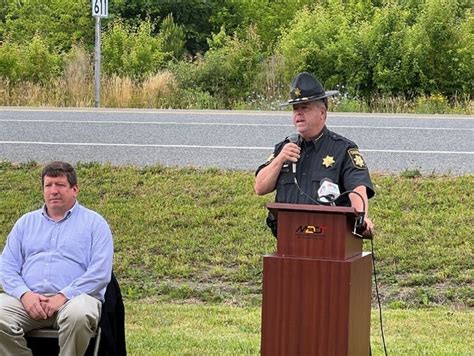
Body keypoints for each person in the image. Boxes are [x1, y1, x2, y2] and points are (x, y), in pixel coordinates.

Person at [0, 161, 114, 356]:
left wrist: (63, 296)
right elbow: (6, 267)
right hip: (29, 301)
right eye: (48, 185)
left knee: (79, 315)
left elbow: (100, 273)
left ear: (74, 189)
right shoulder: (25, 223)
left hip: (75, 299)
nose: (53, 191)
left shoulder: (95, 224)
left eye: (60, 185)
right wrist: (25, 295)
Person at [255, 72, 375, 236]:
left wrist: (361, 219)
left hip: (331, 243)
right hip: (289, 243)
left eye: (305, 108)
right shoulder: (284, 148)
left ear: (322, 113)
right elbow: (260, 187)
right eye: (295, 109)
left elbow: (358, 189)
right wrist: (280, 159)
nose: (298, 114)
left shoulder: (343, 149)